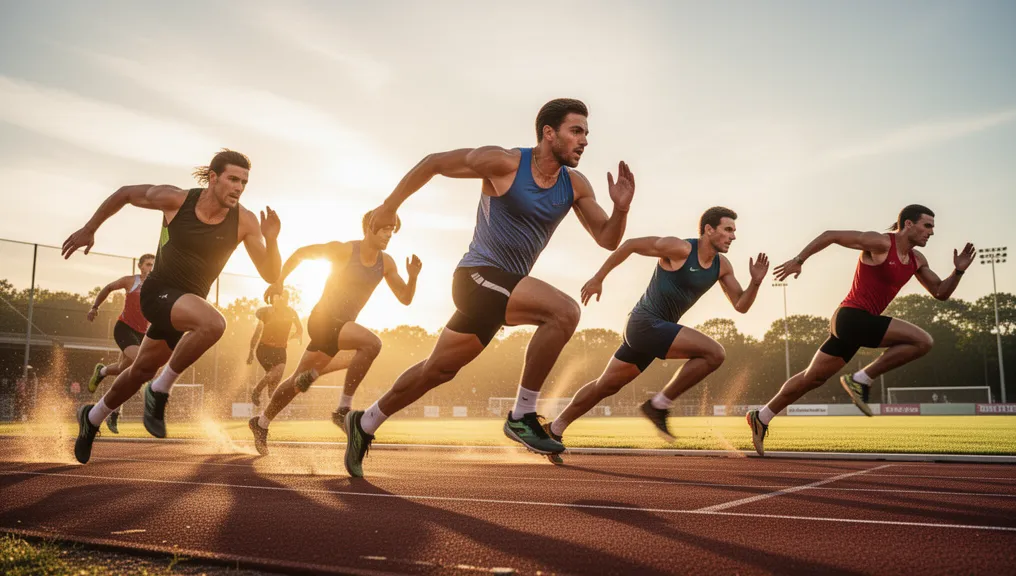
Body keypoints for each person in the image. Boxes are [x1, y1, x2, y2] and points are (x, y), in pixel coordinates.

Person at [343, 98, 636, 477]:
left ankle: (364, 423)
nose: (584, 141)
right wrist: (389, 205)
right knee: (564, 311)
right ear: (549, 133)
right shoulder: (504, 163)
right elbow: (434, 162)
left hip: (501, 293)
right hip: (477, 278)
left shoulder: (575, 185)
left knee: (437, 370)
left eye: (586, 133)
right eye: (576, 131)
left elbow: (607, 238)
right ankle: (522, 414)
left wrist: (622, 210)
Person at [62, 149, 281, 464]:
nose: (238, 187)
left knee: (140, 370)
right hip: (158, 294)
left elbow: (271, 274)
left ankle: (92, 418)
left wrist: (272, 240)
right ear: (213, 177)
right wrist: (90, 228)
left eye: (244, 182)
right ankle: (160, 390)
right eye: (233, 179)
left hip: (186, 309)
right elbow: (125, 193)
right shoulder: (177, 200)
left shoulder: (244, 221)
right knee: (215, 324)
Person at [747, 204, 975, 455]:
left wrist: (959, 270)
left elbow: (941, 292)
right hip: (851, 317)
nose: (931, 232)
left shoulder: (917, 260)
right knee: (923, 341)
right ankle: (861, 379)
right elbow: (830, 235)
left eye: (933, 227)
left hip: (855, 325)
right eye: (927, 225)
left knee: (812, 378)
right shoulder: (880, 243)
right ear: (908, 224)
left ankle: (762, 416)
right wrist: (799, 260)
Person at [547, 207, 768, 463]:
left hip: (655, 333)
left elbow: (741, 305)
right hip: (643, 324)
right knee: (714, 353)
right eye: (728, 229)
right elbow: (630, 245)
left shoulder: (722, 267)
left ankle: (554, 429)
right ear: (709, 229)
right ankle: (659, 404)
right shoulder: (680, 249)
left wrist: (756, 282)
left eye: (734, 231)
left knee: (606, 385)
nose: (733, 237)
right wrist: (598, 278)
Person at [249, 211, 421, 455]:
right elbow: (301, 254)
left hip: (341, 328)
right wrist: (279, 281)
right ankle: (343, 410)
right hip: (323, 320)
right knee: (372, 344)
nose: (389, 235)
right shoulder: (344, 251)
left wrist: (412, 278)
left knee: (298, 379)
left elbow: (405, 298)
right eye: (385, 229)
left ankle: (261, 423)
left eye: (392, 230)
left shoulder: (387, 263)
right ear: (369, 228)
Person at [85, 253, 156, 433]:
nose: (151, 268)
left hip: (142, 334)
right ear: (140, 266)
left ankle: (101, 371)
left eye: (154, 265)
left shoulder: (158, 286)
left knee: (123, 369)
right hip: (124, 329)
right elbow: (109, 287)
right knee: (142, 363)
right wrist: (94, 307)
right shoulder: (130, 281)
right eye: (148, 265)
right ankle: (146, 395)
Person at [246, 289, 302, 407]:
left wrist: (295, 336)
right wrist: (251, 351)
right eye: (277, 299)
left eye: (284, 299)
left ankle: (266, 414)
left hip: (280, 350)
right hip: (264, 349)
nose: (280, 302)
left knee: (273, 386)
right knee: (274, 373)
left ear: (286, 301)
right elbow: (257, 333)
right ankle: (257, 391)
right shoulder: (266, 313)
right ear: (274, 301)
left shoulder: (291, 312)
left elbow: (300, 329)